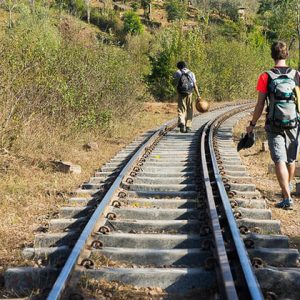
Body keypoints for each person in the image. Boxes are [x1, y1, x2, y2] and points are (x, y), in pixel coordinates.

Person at [247, 41, 300, 210]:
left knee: (279, 159)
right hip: (294, 123)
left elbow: (260, 104)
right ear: (287, 55)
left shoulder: (266, 76)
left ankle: (287, 197)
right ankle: (287, 190)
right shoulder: (297, 75)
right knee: (290, 159)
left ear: (272, 55)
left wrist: (252, 124)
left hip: (274, 123)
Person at [173, 61, 201, 133]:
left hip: (181, 93)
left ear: (179, 67)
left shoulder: (177, 73)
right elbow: (194, 85)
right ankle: (188, 126)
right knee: (190, 109)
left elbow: (175, 83)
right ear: (186, 66)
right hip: (189, 93)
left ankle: (182, 123)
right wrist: (198, 95)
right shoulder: (191, 73)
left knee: (181, 109)